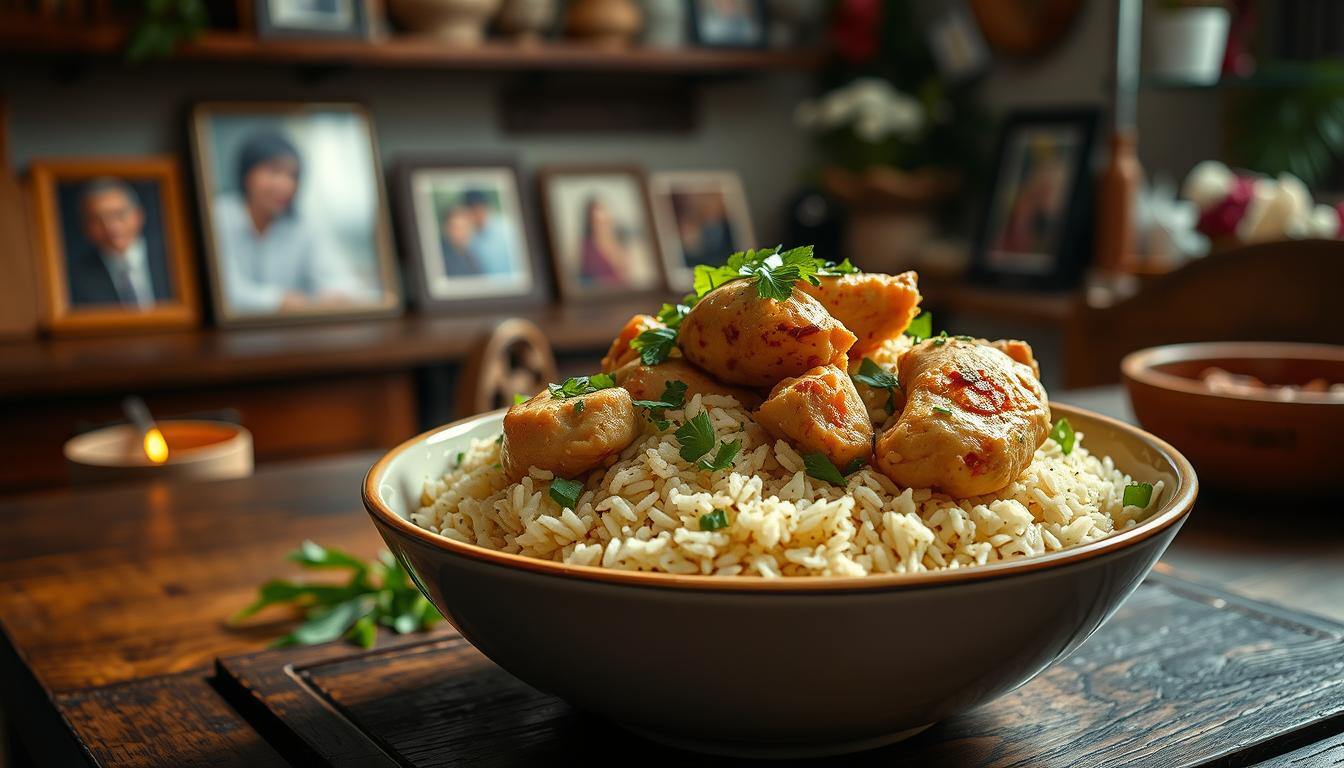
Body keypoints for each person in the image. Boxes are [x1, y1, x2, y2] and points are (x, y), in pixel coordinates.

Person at [211, 131, 373, 314]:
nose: (285, 184)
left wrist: (337, 294)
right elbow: (223, 291)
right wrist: (280, 301)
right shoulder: (218, 217)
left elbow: (342, 281)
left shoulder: (303, 224)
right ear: (247, 174)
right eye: (274, 171)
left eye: (293, 175)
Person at [66, 177, 173, 309]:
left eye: (118, 214)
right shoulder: (75, 278)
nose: (111, 227)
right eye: (97, 219)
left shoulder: (173, 258)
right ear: (85, 227)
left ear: (138, 215)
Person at [462, 189, 517, 276]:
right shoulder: (469, 238)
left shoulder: (507, 229)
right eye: (472, 211)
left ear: (487, 207)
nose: (477, 215)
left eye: (479, 209)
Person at [578, 197, 628, 287]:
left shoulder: (619, 243)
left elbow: (625, 273)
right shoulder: (587, 248)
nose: (603, 226)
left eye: (605, 221)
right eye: (598, 222)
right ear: (590, 221)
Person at [439, 206, 481, 277]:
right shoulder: (441, 258)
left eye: (466, 227)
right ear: (446, 229)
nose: (463, 233)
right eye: (457, 228)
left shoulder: (471, 255)